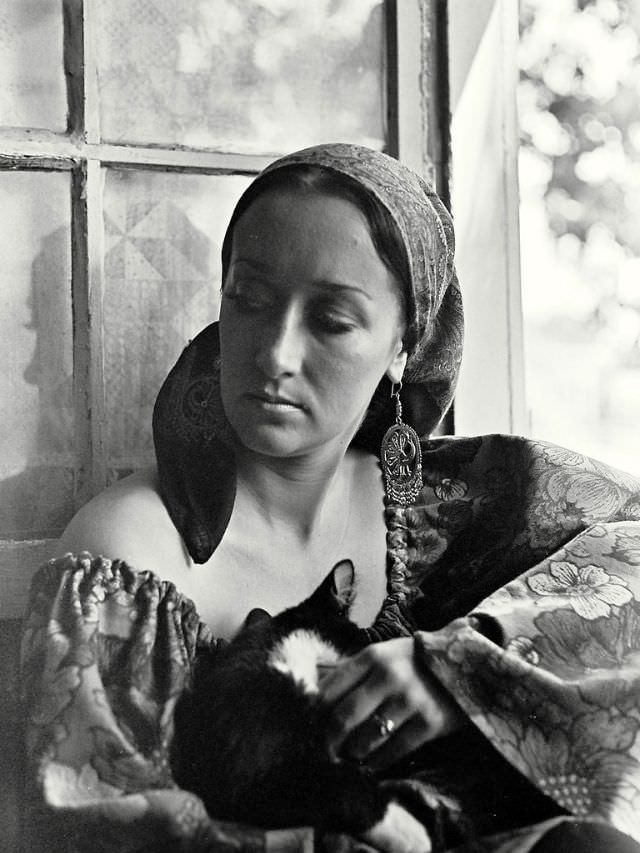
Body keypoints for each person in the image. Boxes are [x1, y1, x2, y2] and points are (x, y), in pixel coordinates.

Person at [20, 143, 640, 853]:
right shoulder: (129, 550)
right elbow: (92, 819)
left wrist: (469, 673)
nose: (276, 352)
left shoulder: (465, 504)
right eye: (248, 300)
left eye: (332, 319)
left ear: (405, 344)